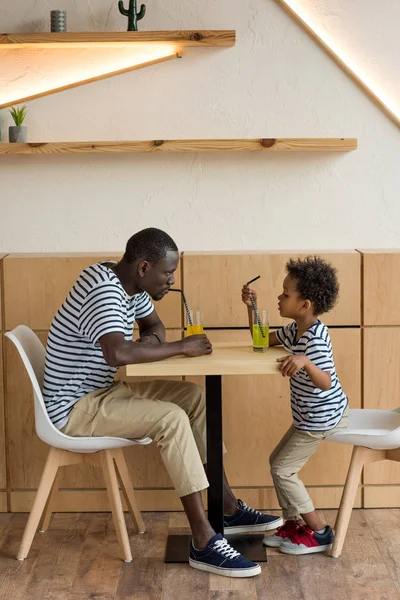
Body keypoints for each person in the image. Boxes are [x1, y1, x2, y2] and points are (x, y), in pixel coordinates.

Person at [43, 227, 281, 577]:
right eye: (167, 273)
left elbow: (154, 324)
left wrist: (152, 343)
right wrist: (181, 347)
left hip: (99, 394)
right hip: (73, 408)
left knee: (194, 397)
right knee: (171, 418)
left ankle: (227, 507)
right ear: (143, 267)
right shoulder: (104, 289)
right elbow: (118, 353)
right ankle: (203, 540)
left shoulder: (130, 285)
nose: (171, 280)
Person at [241, 256, 348, 555]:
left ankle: (320, 531)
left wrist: (305, 361)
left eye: (286, 294)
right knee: (278, 462)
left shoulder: (314, 338)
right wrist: (251, 308)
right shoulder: (294, 330)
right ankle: (293, 524)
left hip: (320, 419)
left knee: (283, 469)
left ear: (305, 305)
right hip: (306, 417)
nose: (280, 297)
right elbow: (260, 339)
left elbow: (325, 381)